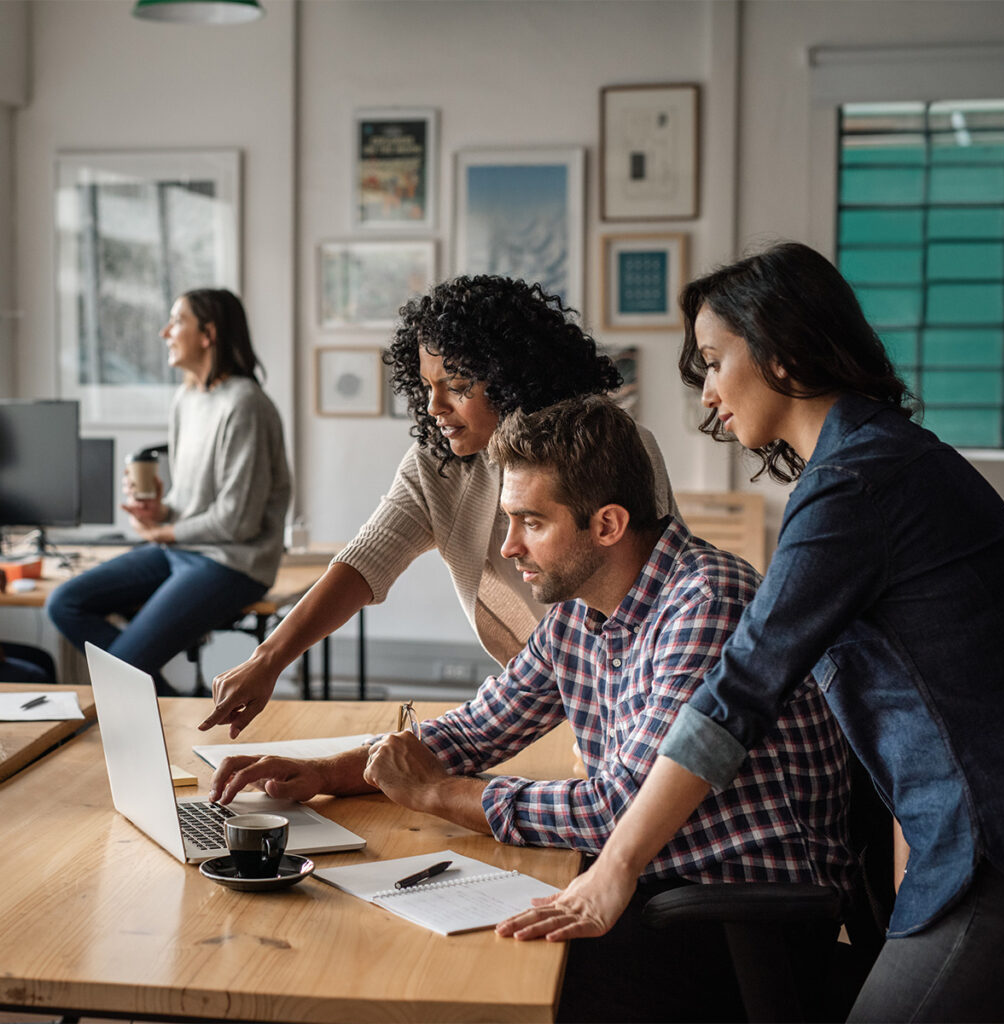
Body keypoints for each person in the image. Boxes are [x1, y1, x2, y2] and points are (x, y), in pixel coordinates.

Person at [498, 243, 1004, 1024]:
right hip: (970, 836)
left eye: (714, 361)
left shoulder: (854, 484)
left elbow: (737, 693)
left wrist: (616, 866)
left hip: (996, 844)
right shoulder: (875, 463)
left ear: (782, 349)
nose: (709, 395)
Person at [210, 394, 855, 1022]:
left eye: (531, 523)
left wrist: (439, 796)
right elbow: (476, 729)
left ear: (607, 525)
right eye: (509, 520)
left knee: (451, 978)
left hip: (733, 922)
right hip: (651, 889)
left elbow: (613, 810)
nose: (510, 546)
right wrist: (331, 771)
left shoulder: (705, 602)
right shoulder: (581, 610)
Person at [199, 276, 676, 737]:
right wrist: (268, 661)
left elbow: (650, 600)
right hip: (536, 694)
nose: (434, 406)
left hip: (632, 690)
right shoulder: (439, 464)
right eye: (427, 386)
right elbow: (365, 562)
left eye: (456, 384)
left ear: (513, 377)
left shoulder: (609, 450)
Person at [47, 289, 291, 696]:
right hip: (182, 552)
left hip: (233, 564)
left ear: (208, 333)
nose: (165, 332)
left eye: (177, 321)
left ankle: (153, 704)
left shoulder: (246, 404)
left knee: (123, 667)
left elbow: (238, 520)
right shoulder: (186, 399)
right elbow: (191, 505)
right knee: (64, 603)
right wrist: (160, 511)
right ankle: (168, 704)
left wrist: (162, 532)